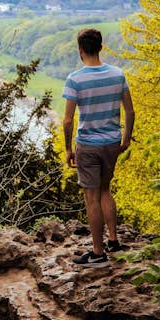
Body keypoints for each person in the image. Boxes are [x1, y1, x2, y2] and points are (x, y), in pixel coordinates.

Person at [62, 28, 135, 267]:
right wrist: (126, 138)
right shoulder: (117, 74)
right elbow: (130, 110)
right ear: (101, 47)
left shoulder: (75, 79)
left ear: (80, 50)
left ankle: (98, 253)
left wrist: (68, 149)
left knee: (91, 198)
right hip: (112, 142)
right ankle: (113, 240)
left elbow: (68, 120)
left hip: (88, 145)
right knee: (105, 189)